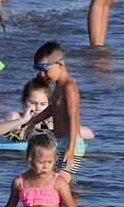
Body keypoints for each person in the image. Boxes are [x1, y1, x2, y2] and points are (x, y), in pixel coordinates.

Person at [31, 41, 85, 174]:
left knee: (61, 182)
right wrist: (33, 120)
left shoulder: (69, 87)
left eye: (45, 71)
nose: (42, 75)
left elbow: (73, 118)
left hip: (71, 144)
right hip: (60, 142)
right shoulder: (58, 86)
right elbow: (53, 108)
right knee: (57, 181)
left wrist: (71, 149)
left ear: (60, 65)